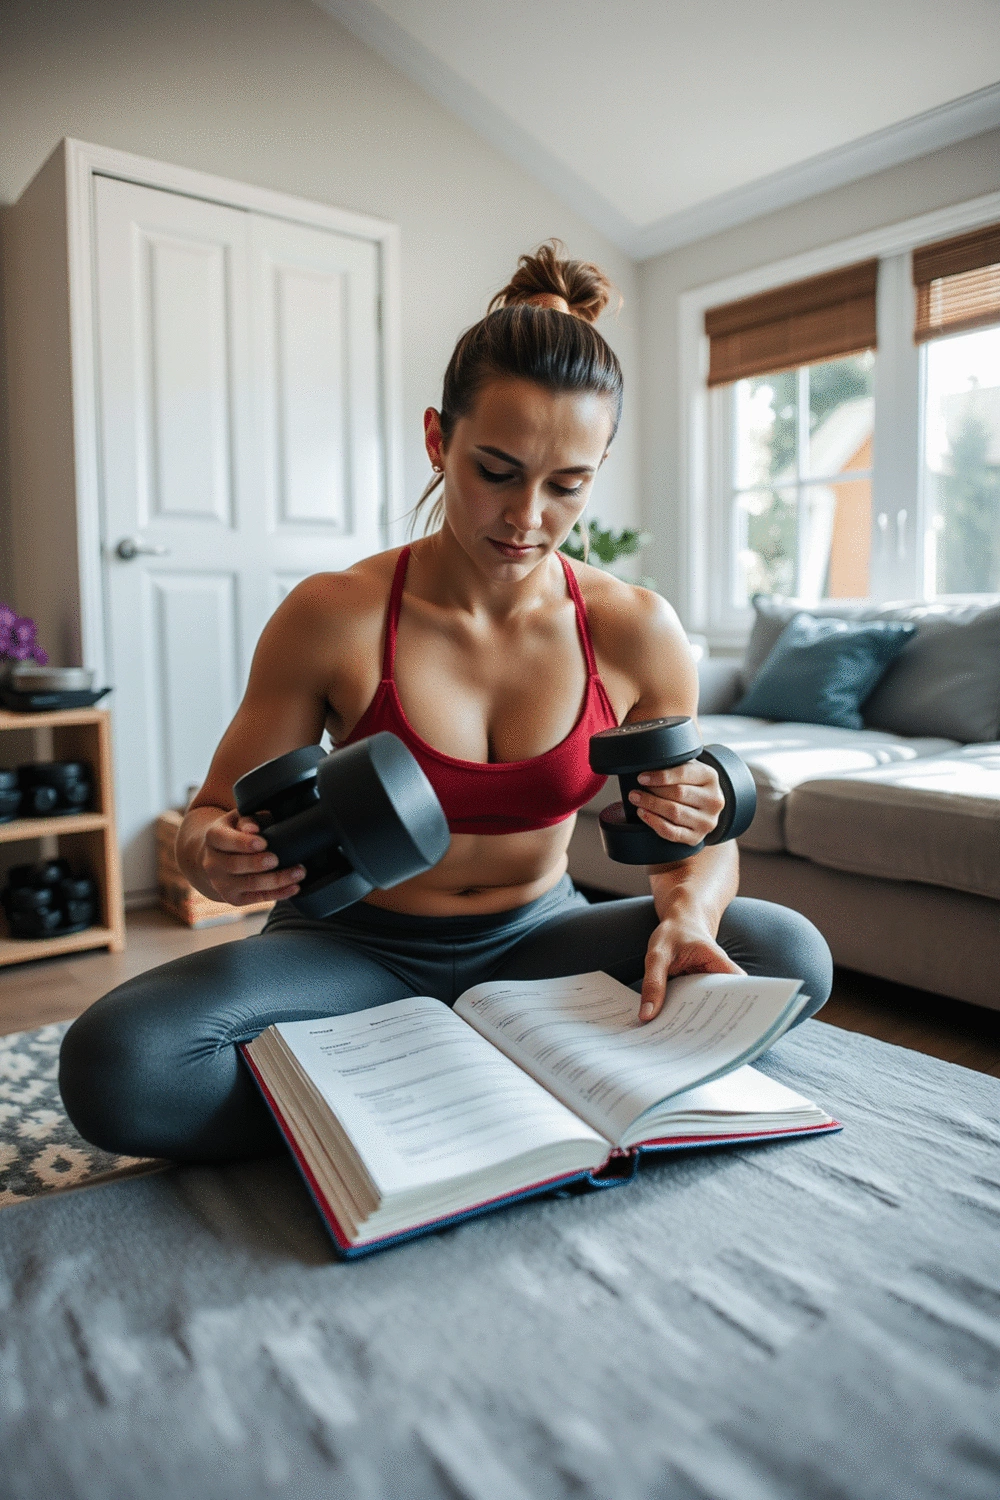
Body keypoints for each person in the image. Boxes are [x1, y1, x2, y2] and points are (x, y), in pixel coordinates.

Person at [59, 242, 832, 1163]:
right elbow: (211, 815)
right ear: (438, 438)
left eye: (567, 484)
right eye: (495, 470)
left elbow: (690, 845)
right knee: (121, 1066)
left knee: (785, 953)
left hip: (539, 946)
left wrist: (689, 917)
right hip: (349, 950)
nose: (527, 518)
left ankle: (396, 1085)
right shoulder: (332, 614)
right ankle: (482, 1076)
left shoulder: (636, 629)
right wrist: (213, 857)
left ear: (600, 466)